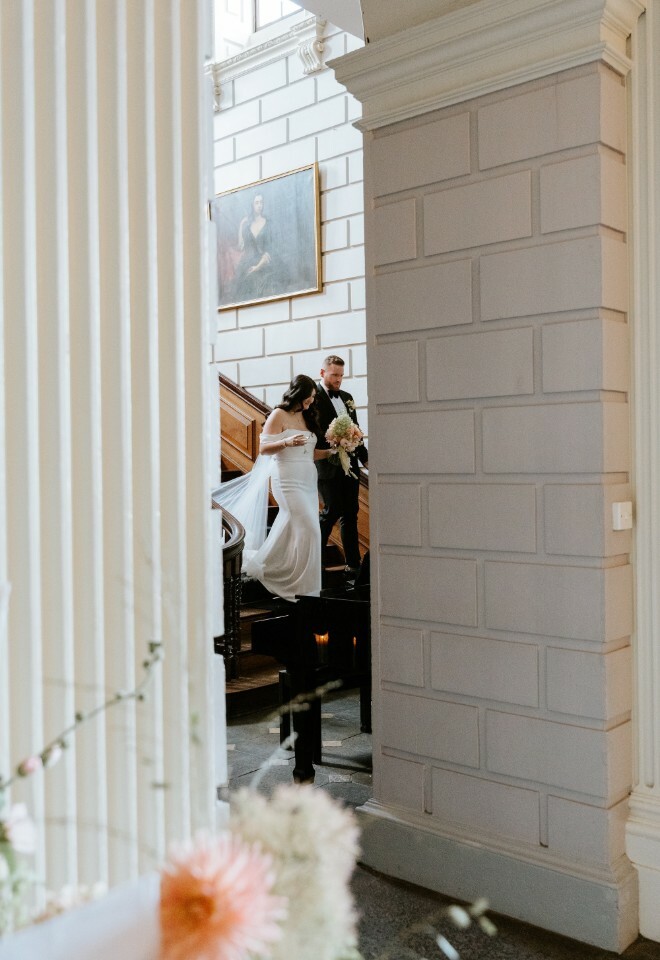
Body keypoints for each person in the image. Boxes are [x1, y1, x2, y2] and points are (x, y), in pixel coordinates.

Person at [213, 375, 333, 603]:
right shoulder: (279, 414)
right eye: (310, 396)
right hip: (287, 479)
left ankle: (280, 571)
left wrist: (332, 452)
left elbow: (310, 452)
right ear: (299, 393)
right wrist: (286, 442)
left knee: (292, 527)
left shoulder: (307, 417)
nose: (312, 401)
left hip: (307, 480)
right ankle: (302, 588)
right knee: (311, 529)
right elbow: (264, 448)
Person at [314, 355, 368, 581]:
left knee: (351, 514)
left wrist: (365, 459)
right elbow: (313, 434)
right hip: (327, 464)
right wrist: (333, 444)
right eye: (334, 375)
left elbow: (356, 430)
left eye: (341, 376)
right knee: (331, 512)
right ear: (322, 373)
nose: (338, 380)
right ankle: (315, 564)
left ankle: (353, 565)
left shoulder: (347, 397)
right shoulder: (313, 398)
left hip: (351, 466)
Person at [232, 193, 287, 303]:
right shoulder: (247, 225)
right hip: (248, 262)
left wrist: (257, 267)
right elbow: (241, 246)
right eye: (257, 203)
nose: (259, 205)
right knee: (243, 287)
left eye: (261, 202)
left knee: (262, 284)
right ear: (252, 205)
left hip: (265, 263)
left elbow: (269, 250)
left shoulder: (268, 224)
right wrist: (241, 225)